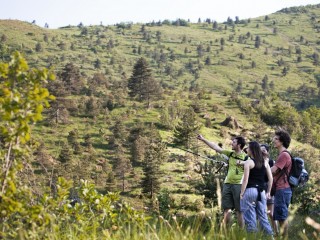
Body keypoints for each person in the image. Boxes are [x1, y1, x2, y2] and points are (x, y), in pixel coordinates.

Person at [197, 134, 247, 228]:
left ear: (239, 145)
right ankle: (228, 232)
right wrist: (203, 139)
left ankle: (241, 232)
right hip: (227, 184)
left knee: (239, 211)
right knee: (226, 209)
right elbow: (215, 147)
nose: (232, 143)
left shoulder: (246, 158)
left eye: (234, 142)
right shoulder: (230, 154)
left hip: (238, 185)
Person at [240, 141, 273, 236]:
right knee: (263, 218)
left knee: (250, 218)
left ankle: (252, 237)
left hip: (250, 191)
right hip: (262, 192)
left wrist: (241, 193)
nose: (246, 149)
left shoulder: (249, 162)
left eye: (248, 148)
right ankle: (271, 237)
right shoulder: (265, 162)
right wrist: (268, 192)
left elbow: (245, 180)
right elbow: (270, 179)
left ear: (252, 150)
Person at [270, 129, 292, 237]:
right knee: (280, 217)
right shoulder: (282, 155)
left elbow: (273, 171)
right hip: (283, 189)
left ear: (282, 141)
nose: (274, 140)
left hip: (282, 189)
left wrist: (260, 168)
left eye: (276, 139)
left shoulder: (284, 155)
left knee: (282, 218)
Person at [260, 143, 275, 230]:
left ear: (267, 152)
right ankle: (262, 232)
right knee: (260, 212)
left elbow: (271, 177)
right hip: (260, 188)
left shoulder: (271, 162)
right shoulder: (257, 162)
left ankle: (276, 231)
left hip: (269, 188)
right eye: (260, 150)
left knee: (271, 213)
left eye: (264, 150)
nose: (262, 152)